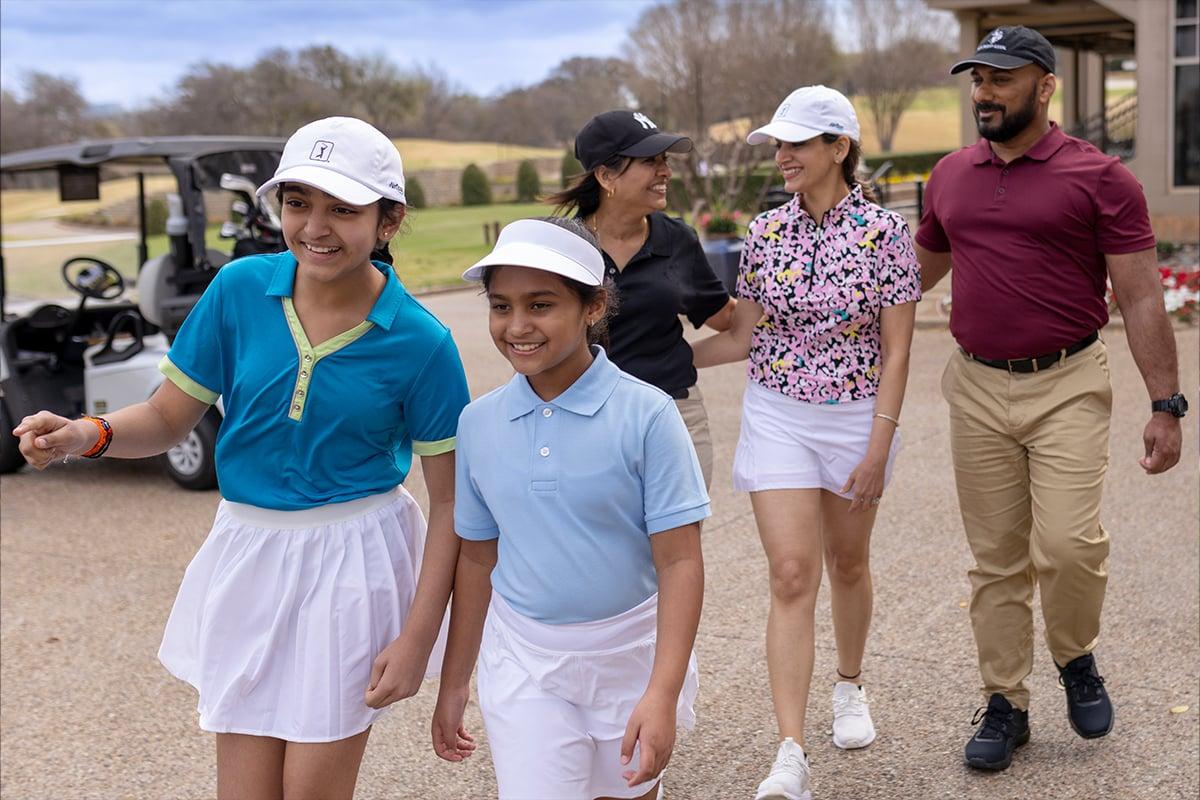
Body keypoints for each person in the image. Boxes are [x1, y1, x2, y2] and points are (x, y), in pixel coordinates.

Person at [12, 116, 472, 799]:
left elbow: (453, 503)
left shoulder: (422, 342)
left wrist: (417, 635)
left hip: (351, 568)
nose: (315, 226)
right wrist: (86, 435)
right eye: (297, 203)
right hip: (249, 556)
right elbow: (168, 418)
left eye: (343, 209)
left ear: (387, 221)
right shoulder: (236, 290)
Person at [915, 25, 1187, 772]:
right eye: (977, 79)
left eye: (1001, 79)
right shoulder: (950, 175)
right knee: (996, 560)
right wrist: (827, 313)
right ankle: (1007, 703)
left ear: (1044, 85)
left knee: (1067, 547)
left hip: (1067, 381)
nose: (984, 93)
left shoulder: (1102, 178)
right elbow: (918, 273)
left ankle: (1075, 657)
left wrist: (1167, 403)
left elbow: (1138, 298)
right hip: (974, 385)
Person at [691, 86, 921, 800]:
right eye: (779, 144)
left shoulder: (886, 233)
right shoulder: (764, 235)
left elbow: (899, 348)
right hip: (779, 413)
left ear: (838, 148)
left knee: (847, 562)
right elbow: (744, 333)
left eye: (797, 143)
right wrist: (664, 359)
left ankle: (849, 687)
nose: (783, 156)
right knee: (792, 574)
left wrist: (880, 444)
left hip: (858, 415)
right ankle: (790, 751)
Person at [431, 217, 708, 800]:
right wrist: (455, 682)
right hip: (525, 663)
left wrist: (663, 692)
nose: (517, 326)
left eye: (541, 305)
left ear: (593, 306)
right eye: (500, 306)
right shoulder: (478, 424)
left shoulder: (649, 416)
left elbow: (680, 563)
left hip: (632, 660)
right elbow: (477, 562)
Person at [548, 110, 736, 487]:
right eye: (651, 162)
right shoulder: (561, 245)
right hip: (585, 418)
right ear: (606, 176)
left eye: (665, 161)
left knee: (678, 542)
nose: (665, 171)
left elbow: (728, 320)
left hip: (674, 413)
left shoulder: (676, 240)